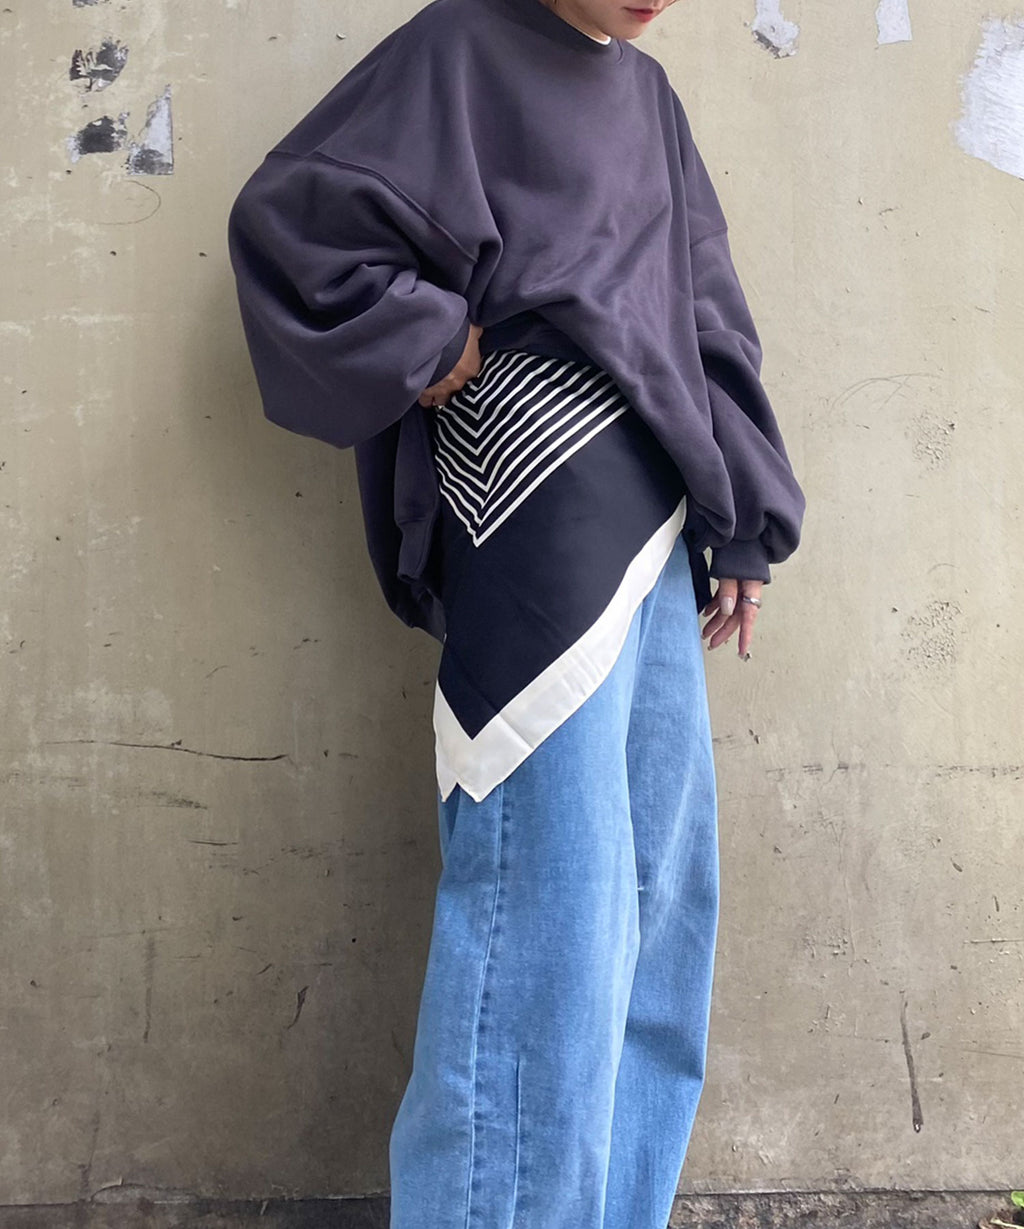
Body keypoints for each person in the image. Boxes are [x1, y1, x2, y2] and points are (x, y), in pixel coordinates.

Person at [226, 0, 806, 1224]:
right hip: (535, 519)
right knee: (548, 902)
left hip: (658, 521)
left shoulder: (646, 99)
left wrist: (748, 511)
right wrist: (428, 336)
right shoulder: (458, 49)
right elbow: (293, 229)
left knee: (655, 905)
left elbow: (701, 308)